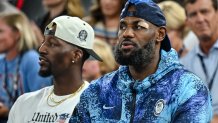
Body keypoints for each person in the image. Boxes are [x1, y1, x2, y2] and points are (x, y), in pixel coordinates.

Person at [69, 0, 212, 122]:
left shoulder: (187, 89)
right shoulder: (98, 90)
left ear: (160, 34)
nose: (127, 33)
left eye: (138, 27)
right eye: (122, 26)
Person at [7, 16, 102, 123]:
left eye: (52, 44)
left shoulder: (98, 106)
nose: (41, 49)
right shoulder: (24, 103)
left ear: (76, 55)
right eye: (43, 42)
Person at [0, 12, 52, 122]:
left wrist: (9, 111)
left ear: (17, 33)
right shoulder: (1, 61)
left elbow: (43, 109)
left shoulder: (32, 61)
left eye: (1, 31)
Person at [180, 0, 218, 122]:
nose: (200, 19)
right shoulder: (183, 66)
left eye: (204, 12)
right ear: (187, 22)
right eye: (193, 14)